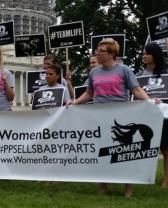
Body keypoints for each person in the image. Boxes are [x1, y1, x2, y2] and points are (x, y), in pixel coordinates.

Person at [66, 39, 161, 197]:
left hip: (120, 118)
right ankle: (103, 188)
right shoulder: (94, 73)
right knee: (102, 152)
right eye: (97, 50)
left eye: (101, 51)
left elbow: (136, 90)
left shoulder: (124, 70)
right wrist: (74, 103)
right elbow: (89, 93)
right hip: (99, 117)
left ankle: (128, 190)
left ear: (111, 54)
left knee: (124, 153)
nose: (97, 53)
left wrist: (150, 102)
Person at [136, 42, 168, 187]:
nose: (144, 56)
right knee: (145, 149)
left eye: (147, 53)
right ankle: (144, 177)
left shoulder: (166, 74)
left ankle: (166, 180)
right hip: (145, 117)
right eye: (143, 53)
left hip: (164, 117)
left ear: (155, 55)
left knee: (166, 150)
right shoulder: (139, 76)